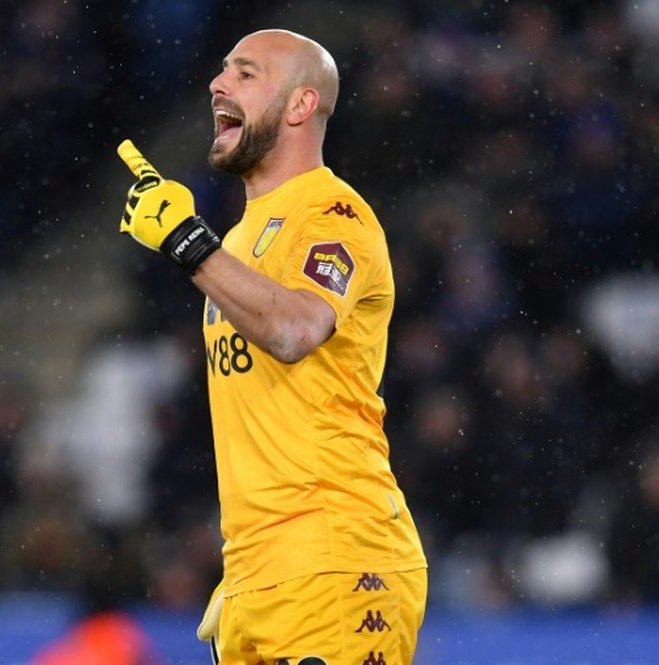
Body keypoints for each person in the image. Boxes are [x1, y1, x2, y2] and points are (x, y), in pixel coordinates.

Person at [115, 29, 427, 665]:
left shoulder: (336, 216)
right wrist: (249, 573)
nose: (218, 83)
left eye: (247, 74)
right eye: (224, 69)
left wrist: (183, 239)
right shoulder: (235, 241)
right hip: (256, 574)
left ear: (300, 106)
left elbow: (294, 331)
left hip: (337, 557)